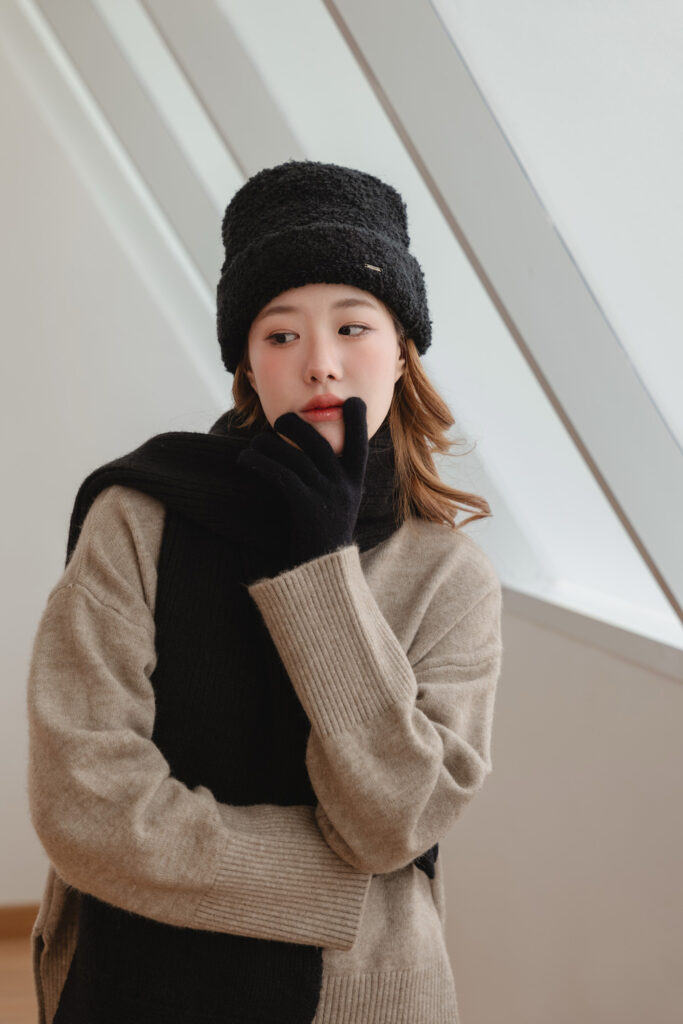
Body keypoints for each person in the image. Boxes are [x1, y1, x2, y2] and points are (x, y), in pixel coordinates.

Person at [26, 160, 504, 1024]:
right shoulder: (139, 518)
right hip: (137, 985)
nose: (320, 365)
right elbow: (83, 805)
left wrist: (319, 569)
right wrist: (328, 882)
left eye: (353, 327)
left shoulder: (448, 575)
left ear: (402, 351)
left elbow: (394, 823)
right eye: (280, 335)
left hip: (357, 996)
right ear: (247, 364)